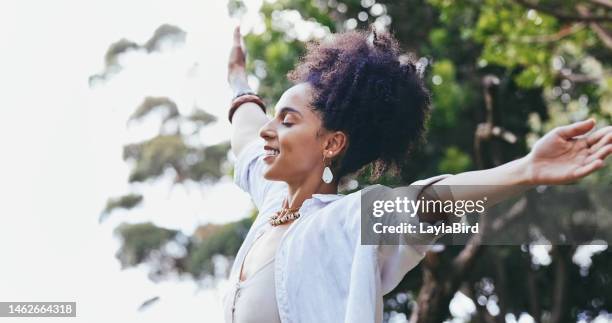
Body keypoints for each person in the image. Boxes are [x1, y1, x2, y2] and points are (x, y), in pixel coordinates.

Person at [222, 25, 612, 323]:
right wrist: (238, 79)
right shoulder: (272, 204)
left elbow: (430, 201)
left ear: (332, 144)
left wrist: (526, 170)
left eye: (287, 121)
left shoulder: (346, 223)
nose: (268, 131)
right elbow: (245, 132)